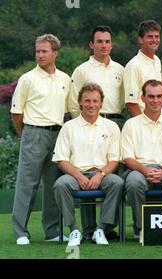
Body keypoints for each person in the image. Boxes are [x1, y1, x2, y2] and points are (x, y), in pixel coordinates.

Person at [10, 34, 72, 245]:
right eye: (38, 51)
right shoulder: (27, 79)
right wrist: (26, 135)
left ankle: (52, 231)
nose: (40, 55)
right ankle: (20, 233)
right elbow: (16, 114)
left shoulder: (65, 78)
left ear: (55, 53)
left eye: (45, 51)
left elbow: (70, 110)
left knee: (53, 185)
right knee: (27, 185)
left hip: (58, 135)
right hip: (33, 133)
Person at [69, 25, 125, 241]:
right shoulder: (82, 70)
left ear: (112, 44)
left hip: (114, 123)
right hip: (86, 122)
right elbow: (75, 103)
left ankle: (108, 227)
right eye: (99, 41)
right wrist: (82, 123)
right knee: (87, 169)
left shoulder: (120, 69)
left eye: (107, 41)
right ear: (92, 44)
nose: (104, 45)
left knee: (111, 175)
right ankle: (89, 229)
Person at [53, 83, 123, 247]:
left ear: (101, 103)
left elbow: (114, 160)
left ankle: (101, 230)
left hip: (102, 174)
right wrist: (78, 176)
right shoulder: (69, 127)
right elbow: (61, 160)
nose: (91, 105)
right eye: (87, 101)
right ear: (80, 102)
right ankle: (74, 230)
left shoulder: (111, 127)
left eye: (95, 101)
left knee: (117, 182)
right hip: (75, 175)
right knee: (60, 185)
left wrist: (101, 175)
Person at [122, 79, 162, 242]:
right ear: (142, 98)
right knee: (133, 183)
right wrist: (145, 171)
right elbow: (127, 157)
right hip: (138, 170)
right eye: (151, 96)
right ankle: (141, 227)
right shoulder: (131, 124)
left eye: (159, 96)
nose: (155, 100)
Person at [124, 20, 162, 117]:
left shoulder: (157, 61)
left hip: (159, 123)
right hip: (144, 124)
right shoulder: (133, 65)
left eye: (157, 36)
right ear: (140, 39)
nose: (154, 40)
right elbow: (131, 103)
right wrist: (142, 126)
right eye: (150, 37)